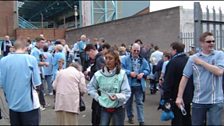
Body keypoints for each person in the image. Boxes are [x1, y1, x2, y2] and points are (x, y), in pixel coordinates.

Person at [176, 32, 224, 125]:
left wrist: (202, 63)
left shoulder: (219, 54)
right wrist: (179, 97)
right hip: (198, 101)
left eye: (213, 41)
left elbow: (219, 72)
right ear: (201, 43)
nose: (212, 43)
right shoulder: (193, 58)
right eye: (209, 41)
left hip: (215, 101)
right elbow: (185, 77)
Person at [0, 39, 41, 125]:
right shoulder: (31, 59)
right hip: (28, 105)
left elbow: (1, 83)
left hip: (12, 103)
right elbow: (37, 83)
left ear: (14, 47)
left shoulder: (3, 60)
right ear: (25, 47)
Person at [87, 49, 131, 125]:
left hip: (118, 107)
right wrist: (98, 98)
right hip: (104, 108)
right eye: (106, 58)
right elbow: (90, 87)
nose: (107, 61)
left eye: (110, 58)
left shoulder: (122, 74)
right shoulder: (98, 74)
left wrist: (117, 96)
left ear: (116, 60)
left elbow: (127, 92)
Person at [161, 42, 193, 125]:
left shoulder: (173, 62)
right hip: (188, 95)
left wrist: (166, 97)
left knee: (177, 119)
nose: (170, 52)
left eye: (171, 50)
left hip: (175, 96)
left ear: (175, 50)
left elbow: (168, 81)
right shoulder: (189, 60)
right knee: (187, 117)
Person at [121, 43, 150, 125]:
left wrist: (143, 74)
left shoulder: (143, 60)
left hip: (139, 85)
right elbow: (121, 69)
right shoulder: (125, 59)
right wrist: (130, 73)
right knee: (128, 103)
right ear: (131, 50)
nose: (136, 52)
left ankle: (141, 121)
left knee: (139, 103)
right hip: (128, 85)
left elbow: (148, 70)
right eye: (134, 50)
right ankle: (130, 117)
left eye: (138, 50)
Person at [84, 44, 105, 126]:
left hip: (99, 90)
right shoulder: (98, 58)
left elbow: (101, 74)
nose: (89, 56)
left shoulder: (99, 59)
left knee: (97, 111)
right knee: (96, 110)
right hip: (98, 90)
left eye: (88, 54)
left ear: (92, 51)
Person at [31, 36, 49, 111]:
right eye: (42, 42)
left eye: (44, 42)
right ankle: (40, 104)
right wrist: (45, 63)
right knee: (39, 89)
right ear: (37, 42)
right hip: (37, 72)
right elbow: (36, 63)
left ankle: (42, 103)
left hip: (40, 72)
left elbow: (40, 58)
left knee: (41, 88)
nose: (43, 44)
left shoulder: (38, 50)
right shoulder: (35, 51)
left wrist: (43, 56)